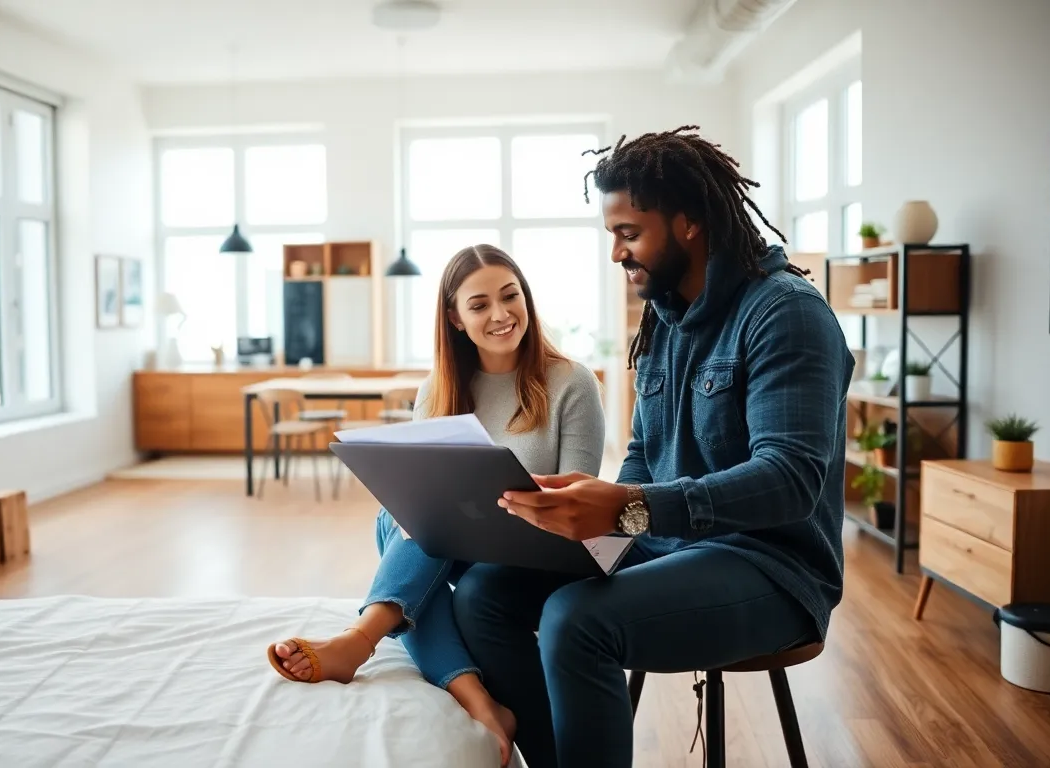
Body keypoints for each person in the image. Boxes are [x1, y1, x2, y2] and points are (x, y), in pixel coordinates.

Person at [450, 126, 855, 768]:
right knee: (483, 595)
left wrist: (626, 509)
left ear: (689, 221)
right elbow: (644, 454)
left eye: (629, 233)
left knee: (576, 619)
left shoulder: (787, 314)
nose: (616, 253)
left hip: (772, 570)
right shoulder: (664, 318)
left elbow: (789, 480)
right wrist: (589, 522)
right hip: (664, 546)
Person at [266, 244, 607, 767]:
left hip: (541, 554)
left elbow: (578, 501)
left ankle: (361, 639)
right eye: (479, 304)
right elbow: (421, 490)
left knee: (410, 538)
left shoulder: (571, 383)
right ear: (454, 317)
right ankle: (482, 704)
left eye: (510, 296)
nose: (500, 314)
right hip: (464, 546)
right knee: (400, 518)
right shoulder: (439, 389)